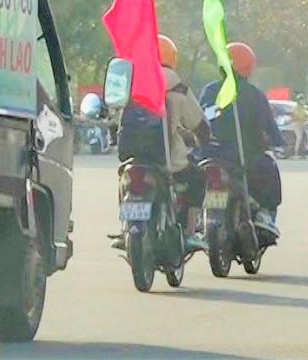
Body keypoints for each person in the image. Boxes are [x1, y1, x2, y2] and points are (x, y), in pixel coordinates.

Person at [112, 35, 210, 252]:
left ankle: (125, 228)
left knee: (125, 181)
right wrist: (203, 139)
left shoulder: (132, 81)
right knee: (197, 178)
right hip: (167, 158)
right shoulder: (176, 86)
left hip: (132, 156)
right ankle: (190, 232)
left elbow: (116, 117)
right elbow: (197, 122)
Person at [198, 42, 284, 236]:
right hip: (245, 157)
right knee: (270, 169)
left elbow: (199, 119)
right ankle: (264, 215)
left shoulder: (209, 91)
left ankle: (194, 219)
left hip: (211, 155)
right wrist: (277, 141)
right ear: (249, 67)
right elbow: (270, 128)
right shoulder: (255, 95)